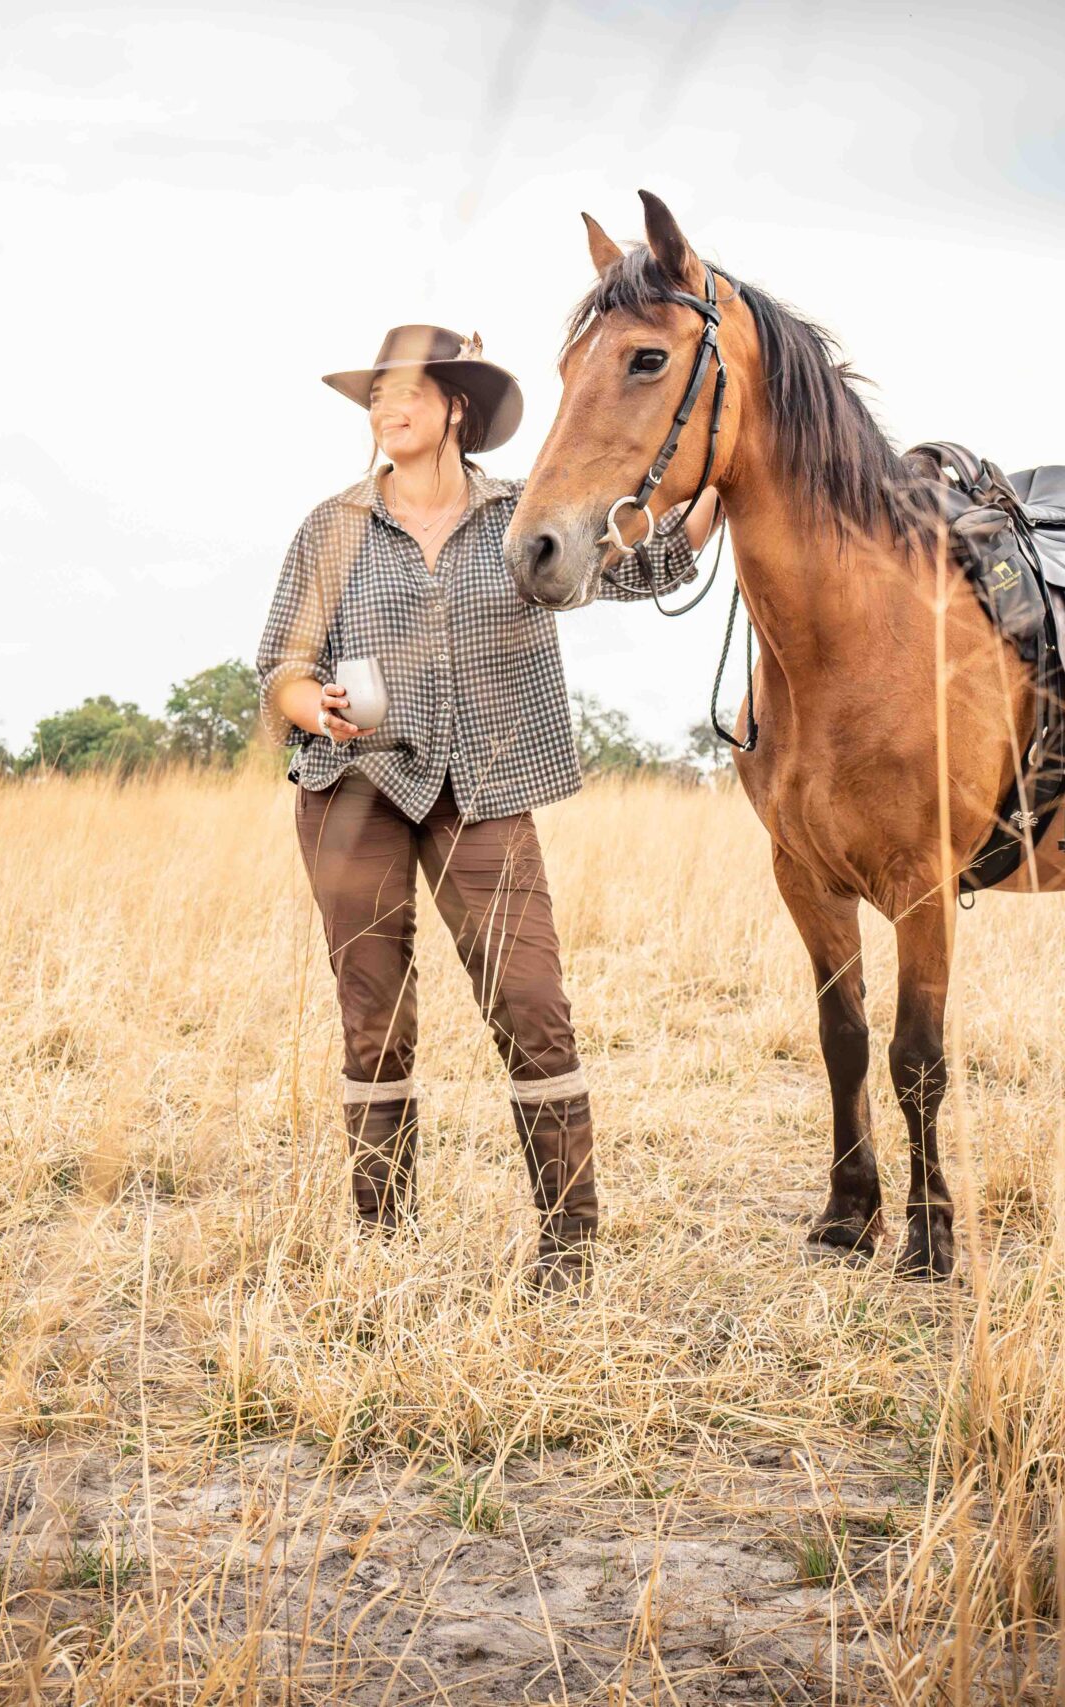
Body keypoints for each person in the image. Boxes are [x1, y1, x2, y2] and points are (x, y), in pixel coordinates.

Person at [256, 323, 717, 1290]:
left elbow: (631, 567)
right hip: (354, 787)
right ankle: (384, 1236)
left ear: (456, 408)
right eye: (376, 395)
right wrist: (317, 708)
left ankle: (569, 1243)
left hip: (489, 783)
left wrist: (705, 512)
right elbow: (281, 666)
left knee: (531, 1004)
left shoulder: (524, 513)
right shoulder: (332, 527)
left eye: (406, 390)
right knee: (373, 1017)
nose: (386, 407)